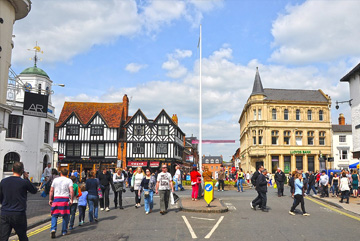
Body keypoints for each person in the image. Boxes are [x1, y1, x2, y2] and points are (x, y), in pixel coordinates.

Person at [0, 162, 37, 241]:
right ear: (22, 171)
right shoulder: (24, 182)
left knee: (3, 238)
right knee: (22, 237)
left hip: (5, 213)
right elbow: (34, 190)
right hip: (19, 213)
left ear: (12, 169)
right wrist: (26, 178)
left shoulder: (3, 181)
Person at [49, 168, 74, 238]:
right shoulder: (69, 180)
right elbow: (71, 191)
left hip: (56, 199)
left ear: (60, 173)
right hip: (65, 199)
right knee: (65, 216)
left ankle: (53, 229)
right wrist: (71, 199)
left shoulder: (55, 180)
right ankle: (64, 231)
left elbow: (51, 190)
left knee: (54, 215)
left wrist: (50, 199)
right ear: (67, 173)